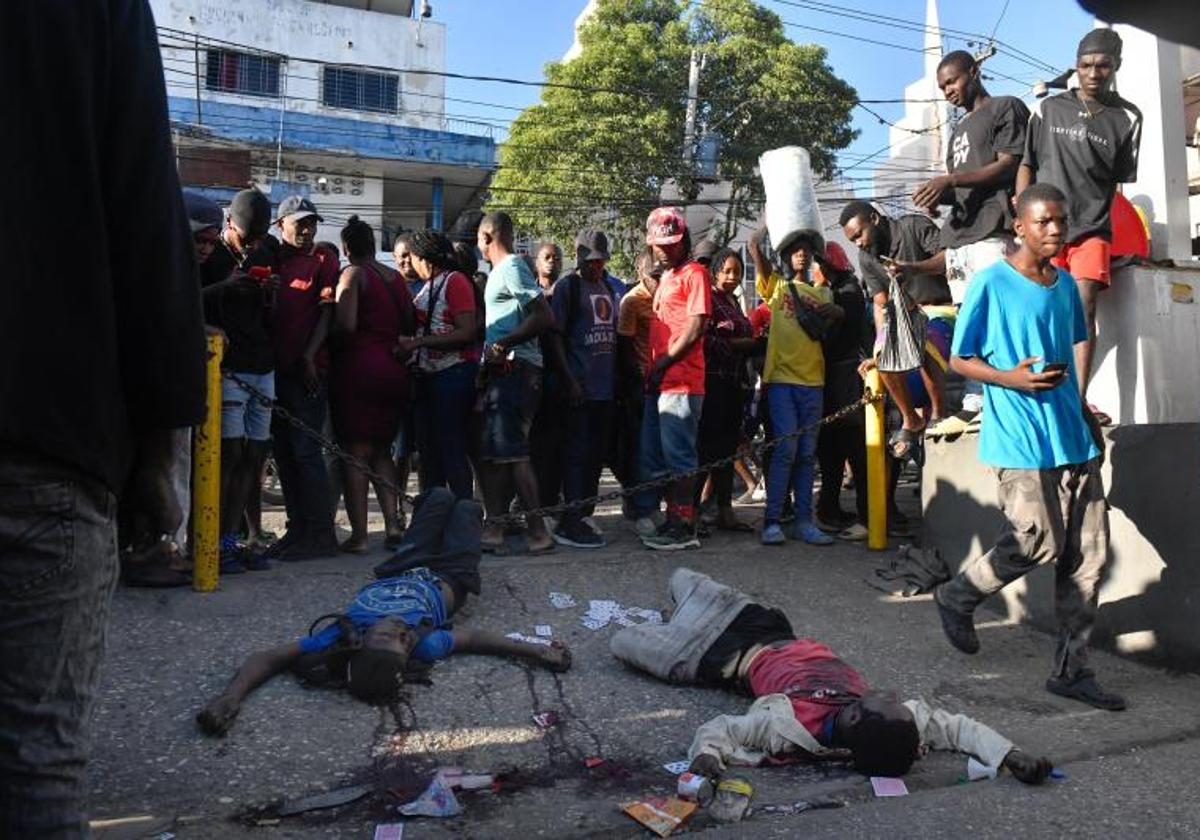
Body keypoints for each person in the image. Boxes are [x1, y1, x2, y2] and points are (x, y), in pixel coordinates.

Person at [1, 0, 206, 832]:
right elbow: (144, 216)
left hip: (46, 443)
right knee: (34, 765)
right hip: (45, 435)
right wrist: (160, 449)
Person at [933, 184, 1121, 711]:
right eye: (1044, 222)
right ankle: (958, 595)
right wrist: (1008, 380)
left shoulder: (1063, 286)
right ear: (1019, 227)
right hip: (1019, 436)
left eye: (1061, 221)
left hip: (1071, 435)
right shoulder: (991, 283)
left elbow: (1065, 354)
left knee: (1087, 559)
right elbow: (959, 360)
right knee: (1036, 541)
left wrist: (1085, 414)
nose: (1056, 230)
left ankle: (1072, 671)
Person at [610, 569, 1053, 783]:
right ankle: (681, 612)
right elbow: (959, 730)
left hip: (711, 658)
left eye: (880, 699)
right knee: (680, 577)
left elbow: (722, 728)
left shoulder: (787, 730)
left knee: (623, 643)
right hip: (762, 625)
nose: (889, 691)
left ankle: (678, 620)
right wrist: (1011, 755)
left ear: (858, 720)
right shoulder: (898, 722)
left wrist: (706, 757)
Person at [196, 489, 571, 737]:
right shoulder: (424, 645)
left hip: (402, 566)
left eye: (389, 636)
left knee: (438, 497)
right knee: (468, 508)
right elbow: (475, 639)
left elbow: (271, 657)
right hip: (450, 575)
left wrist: (231, 696)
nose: (403, 633)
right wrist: (536, 650)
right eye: (404, 644)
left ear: (360, 641)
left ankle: (432, 512)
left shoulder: (340, 635)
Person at [1016, 28, 1142, 423]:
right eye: (1086, 64)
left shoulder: (1128, 118)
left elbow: (1118, 181)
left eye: (1103, 65)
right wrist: (1022, 213)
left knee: (1084, 307)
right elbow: (1026, 163)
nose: (1093, 72)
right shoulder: (1050, 108)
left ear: (1116, 66)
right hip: (1044, 227)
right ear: (1076, 65)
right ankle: (1038, 389)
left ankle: (1076, 399)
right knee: (1041, 309)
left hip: (1092, 228)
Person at [914, 50, 1030, 436]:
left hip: (994, 230)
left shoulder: (1005, 108)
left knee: (999, 317)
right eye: (943, 86)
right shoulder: (957, 132)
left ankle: (1005, 395)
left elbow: (1010, 163)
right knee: (969, 319)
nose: (948, 90)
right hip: (961, 237)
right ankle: (976, 398)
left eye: (953, 81)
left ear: (975, 72)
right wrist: (937, 196)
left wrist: (950, 182)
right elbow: (960, 187)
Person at [840, 201, 954, 464]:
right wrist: (878, 347)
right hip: (902, 318)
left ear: (875, 219)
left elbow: (949, 259)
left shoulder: (913, 226)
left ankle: (938, 414)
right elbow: (881, 304)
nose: (858, 243)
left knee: (923, 340)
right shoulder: (867, 257)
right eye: (852, 239)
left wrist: (913, 268)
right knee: (882, 357)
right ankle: (910, 419)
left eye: (859, 234)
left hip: (940, 310)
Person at [749, 228, 843, 547]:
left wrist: (837, 310)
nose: (801, 254)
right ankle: (772, 521)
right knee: (786, 451)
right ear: (787, 257)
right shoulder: (776, 287)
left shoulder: (824, 294)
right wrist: (770, 224)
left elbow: (837, 317)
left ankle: (804, 521)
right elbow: (753, 247)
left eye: (806, 250)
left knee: (806, 454)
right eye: (795, 250)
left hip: (813, 382)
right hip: (781, 383)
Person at [200, 189, 277, 574]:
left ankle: (236, 539)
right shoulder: (209, 254)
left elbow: (268, 314)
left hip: (262, 365)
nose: (256, 245)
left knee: (254, 456)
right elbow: (185, 302)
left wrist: (269, 293)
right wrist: (224, 287)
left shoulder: (264, 253)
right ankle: (214, 542)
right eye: (249, 238)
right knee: (227, 455)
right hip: (227, 368)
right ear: (230, 225)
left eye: (261, 238)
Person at [329, 216, 413, 554]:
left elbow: (346, 326)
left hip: (359, 370)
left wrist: (328, 336)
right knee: (382, 450)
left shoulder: (352, 275)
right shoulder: (395, 279)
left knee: (356, 452)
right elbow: (407, 324)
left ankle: (361, 535)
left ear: (347, 248)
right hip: (393, 369)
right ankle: (393, 525)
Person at [265, 196, 341, 562]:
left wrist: (310, 355)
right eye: (300, 224)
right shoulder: (273, 257)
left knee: (307, 453)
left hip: (307, 373)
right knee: (284, 454)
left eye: (311, 223)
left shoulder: (324, 260)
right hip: (273, 372)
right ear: (283, 226)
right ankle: (298, 530)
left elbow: (327, 314)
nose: (307, 230)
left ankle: (321, 534)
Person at [477, 212, 557, 554]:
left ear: (486, 237)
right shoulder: (502, 271)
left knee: (513, 453)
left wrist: (504, 343)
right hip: (506, 372)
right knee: (501, 452)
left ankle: (538, 532)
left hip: (517, 371)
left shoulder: (510, 267)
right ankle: (496, 526)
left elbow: (544, 316)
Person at [636, 208, 712, 551]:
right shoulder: (665, 278)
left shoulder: (695, 273)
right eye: (659, 244)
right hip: (661, 381)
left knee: (680, 458)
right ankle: (672, 519)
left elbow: (696, 327)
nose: (664, 249)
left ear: (683, 242)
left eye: (671, 243)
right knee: (659, 458)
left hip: (681, 382)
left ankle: (683, 524)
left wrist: (664, 362)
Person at [545, 230, 620, 548]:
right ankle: (570, 520)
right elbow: (555, 337)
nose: (596, 266)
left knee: (594, 456)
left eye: (600, 260)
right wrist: (570, 380)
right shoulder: (567, 287)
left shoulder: (608, 286)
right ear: (578, 258)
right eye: (591, 260)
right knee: (575, 454)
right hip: (578, 386)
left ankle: (584, 513)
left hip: (606, 388)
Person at [397, 229, 479, 500]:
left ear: (424, 258)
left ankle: (463, 514)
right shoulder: (431, 284)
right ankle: (435, 515)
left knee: (451, 448)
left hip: (453, 376)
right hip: (430, 379)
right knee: (430, 453)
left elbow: (466, 332)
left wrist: (419, 343)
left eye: (413, 257)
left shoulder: (454, 281)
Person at [696, 248, 758, 533]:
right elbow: (703, 338)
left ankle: (725, 511)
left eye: (737, 272)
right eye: (727, 271)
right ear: (716, 272)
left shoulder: (733, 300)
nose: (732, 277)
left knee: (727, 452)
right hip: (712, 383)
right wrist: (737, 345)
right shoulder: (707, 298)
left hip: (735, 384)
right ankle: (692, 513)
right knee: (707, 451)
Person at [814, 243, 871, 540]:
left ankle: (862, 515)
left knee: (850, 449)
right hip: (838, 378)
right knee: (834, 451)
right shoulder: (842, 286)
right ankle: (830, 510)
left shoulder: (847, 288)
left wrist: (829, 310)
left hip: (847, 378)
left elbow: (845, 311)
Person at [615, 248, 660, 518]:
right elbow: (624, 348)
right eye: (653, 275)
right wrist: (638, 381)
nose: (659, 279)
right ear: (640, 273)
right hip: (640, 386)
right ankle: (640, 507)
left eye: (661, 274)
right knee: (640, 451)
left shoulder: (667, 297)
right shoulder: (632, 302)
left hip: (665, 384)